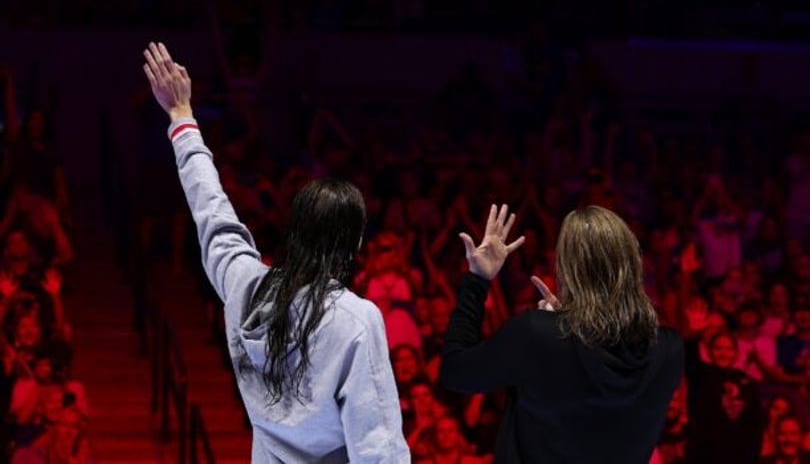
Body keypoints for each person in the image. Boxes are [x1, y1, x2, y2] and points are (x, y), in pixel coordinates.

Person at [141, 42, 409, 463]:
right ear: (355, 243)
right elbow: (379, 450)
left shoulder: (247, 288)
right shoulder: (357, 321)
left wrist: (182, 119)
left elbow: (212, 212)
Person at [439, 204, 684, 463]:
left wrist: (477, 280)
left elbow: (456, 372)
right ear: (633, 264)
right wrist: (566, 323)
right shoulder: (670, 349)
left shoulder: (535, 333)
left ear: (568, 268)